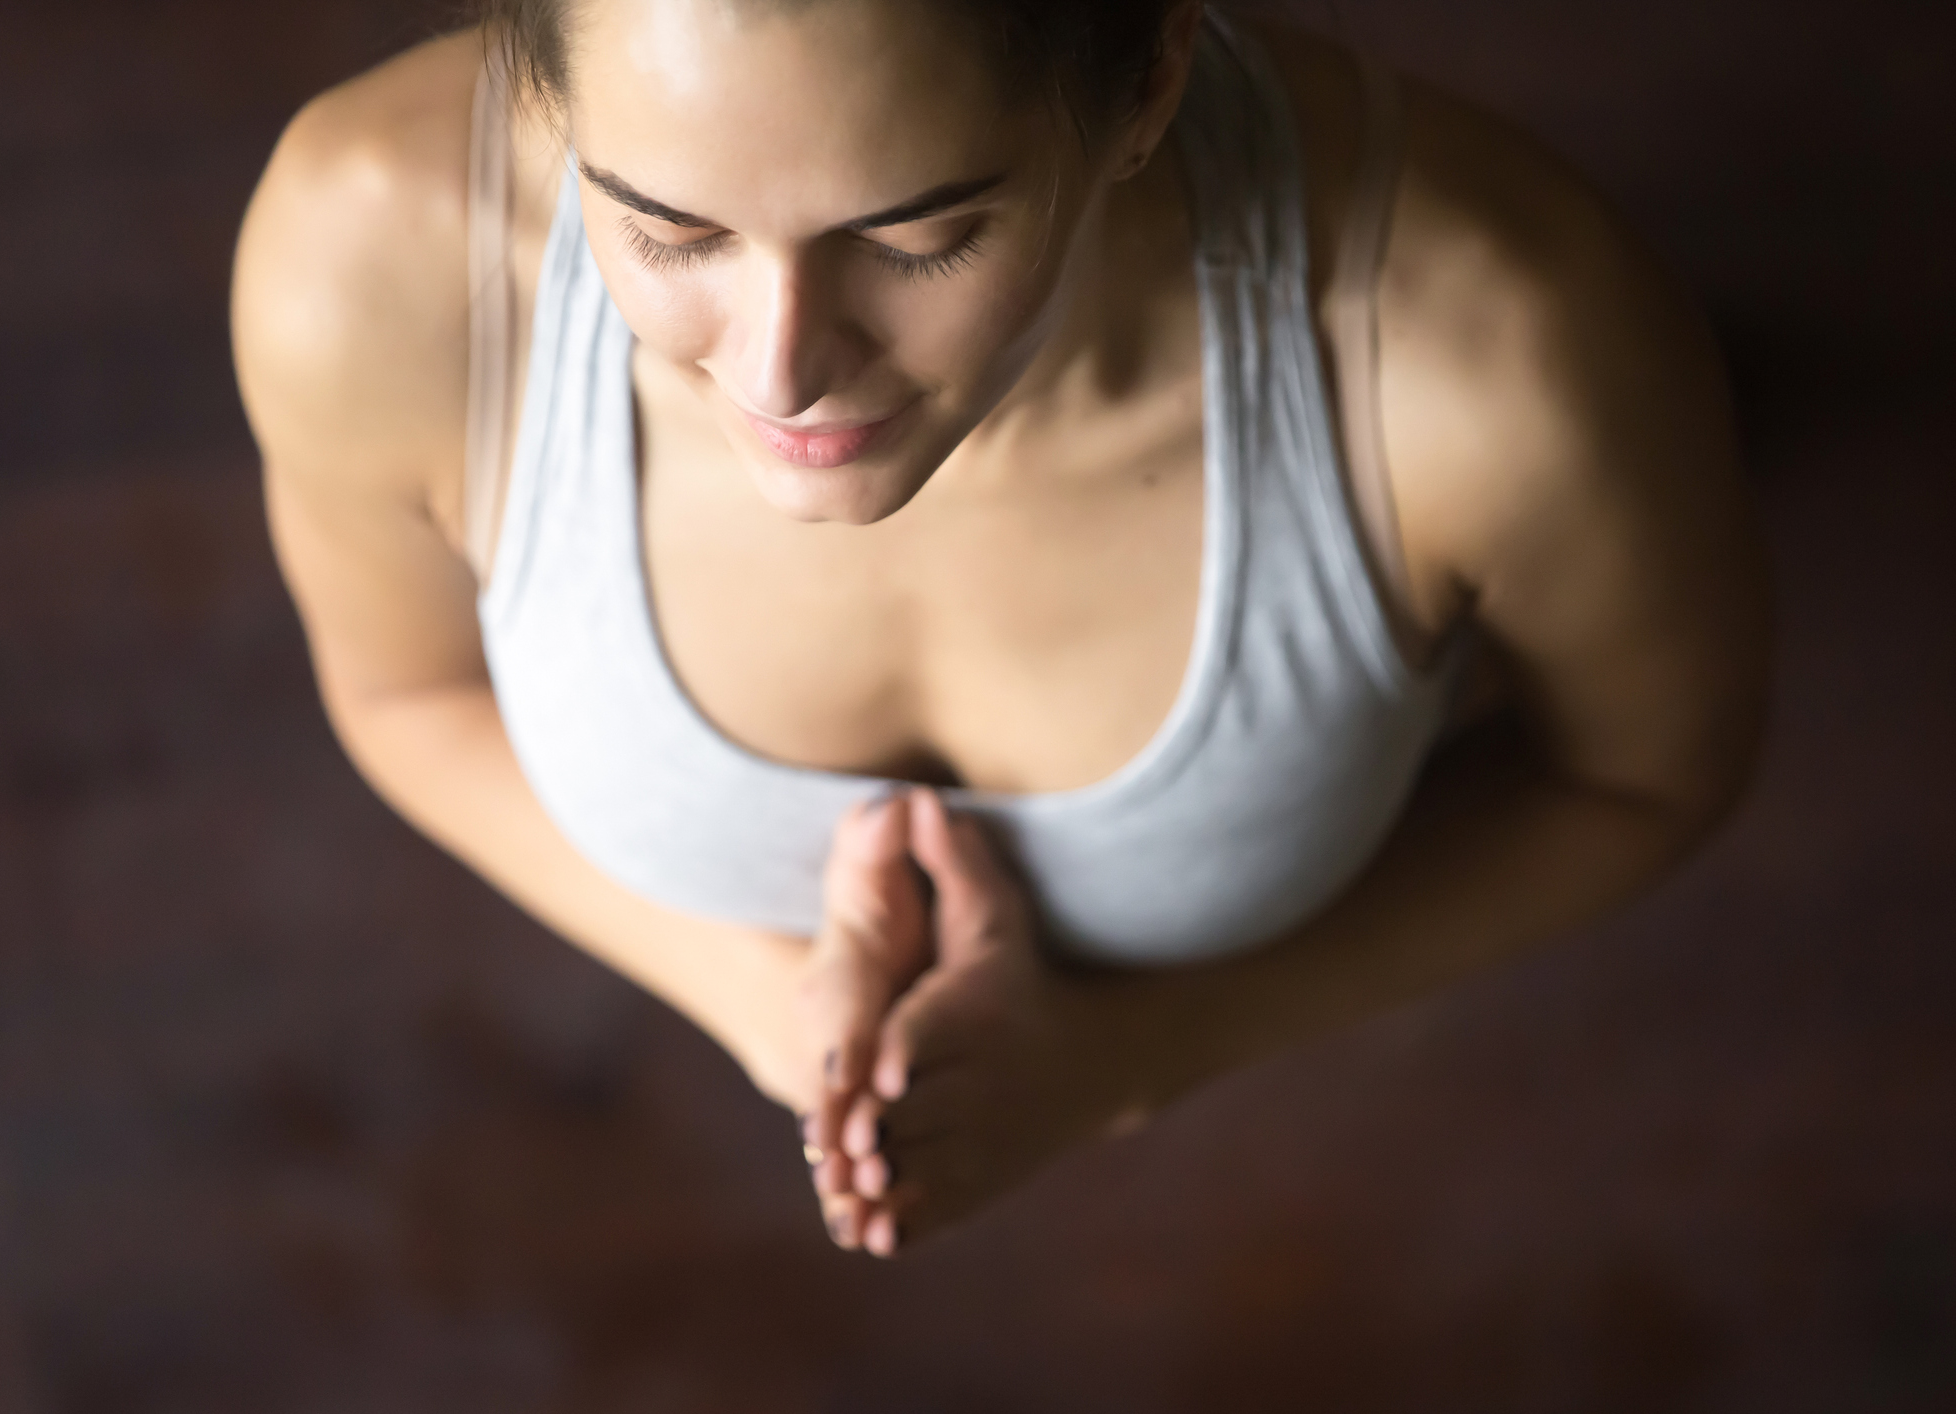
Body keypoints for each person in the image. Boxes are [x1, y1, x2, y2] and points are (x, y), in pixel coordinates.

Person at [230, 0, 1768, 1260]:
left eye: (917, 238)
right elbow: (406, 691)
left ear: (1148, 79)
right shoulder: (367, 260)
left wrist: (1128, 1059)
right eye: (667, 228)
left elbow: (1642, 777)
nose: (782, 370)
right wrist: (761, 1003)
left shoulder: (1507, 366)